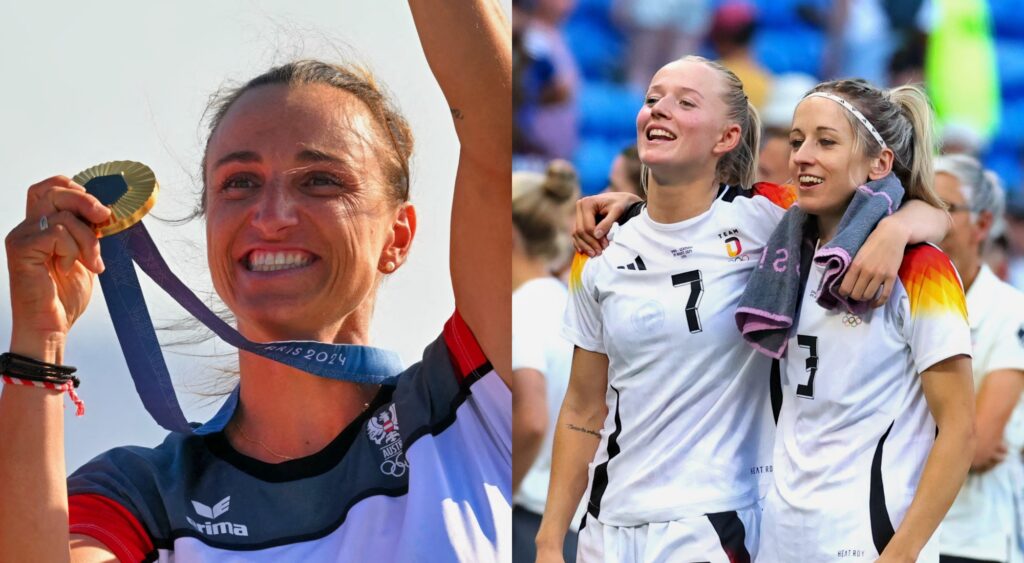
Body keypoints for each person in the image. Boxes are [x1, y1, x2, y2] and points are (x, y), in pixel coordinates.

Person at [0, 2, 511, 561]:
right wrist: (38, 342)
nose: (271, 216)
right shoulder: (147, 496)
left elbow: (500, 128)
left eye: (321, 181)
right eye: (239, 183)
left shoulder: (472, 407)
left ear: (399, 236)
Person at [536, 56, 947, 562]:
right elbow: (582, 409)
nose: (660, 109)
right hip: (607, 521)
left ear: (727, 137)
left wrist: (897, 229)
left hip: (714, 522)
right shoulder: (601, 246)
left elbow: (899, 201)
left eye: (685, 102)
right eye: (652, 98)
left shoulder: (771, 217)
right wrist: (550, 539)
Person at [754, 80, 974, 562]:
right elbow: (695, 203)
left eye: (826, 141)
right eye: (796, 141)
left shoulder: (923, 269)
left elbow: (959, 430)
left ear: (880, 163)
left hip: (869, 542)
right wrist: (627, 209)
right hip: (779, 536)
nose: (802, 156)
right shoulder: (779, 243)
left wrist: (902, 553)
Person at [933, 155, 1024, 563]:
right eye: (920, 205)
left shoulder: (1010, 311)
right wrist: (953, 437)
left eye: (946, 208)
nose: (930, 222)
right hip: (891, 532)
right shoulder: (892, 302)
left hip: (972, 539)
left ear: (984, 225)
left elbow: (981, 442)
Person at [512, 161, 582, 563]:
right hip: (573, 525)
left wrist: (500, 499)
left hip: (528, 522)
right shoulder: (567, 305)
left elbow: (532, 419)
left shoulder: (521, 310)